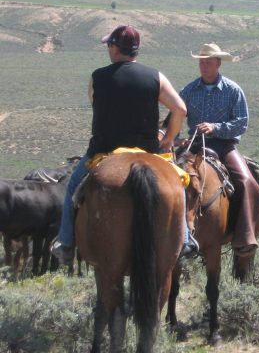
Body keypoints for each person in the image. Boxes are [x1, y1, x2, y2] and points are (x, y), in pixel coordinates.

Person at [51, 25, 198, 264]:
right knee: (178, 186)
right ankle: (186, 239)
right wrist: (169, 137)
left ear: (114, 47)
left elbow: (96, 105)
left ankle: (66, 242)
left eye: (109, 45)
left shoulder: (97, 77)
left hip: (103, 151)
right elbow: (180, 109)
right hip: (148, 151)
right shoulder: (156, 77)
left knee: (72, 189)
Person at [180, 43, 259, 257]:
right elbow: (176, 116)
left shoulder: (232, 90)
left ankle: (244, 236)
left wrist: (215, 127)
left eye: (208, 62)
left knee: (248, 183)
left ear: (218, 63)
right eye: (201, 62)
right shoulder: (188, 90)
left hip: (223, 145)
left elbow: (242, 122)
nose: (204, 66)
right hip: (195, 145)